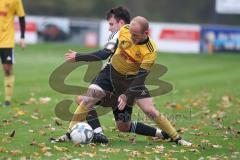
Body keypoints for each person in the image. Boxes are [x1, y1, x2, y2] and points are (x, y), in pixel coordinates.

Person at [62, 16, 192, 146]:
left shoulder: (150, 51)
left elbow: (141, 77)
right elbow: (105, 53)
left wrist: (126, 95)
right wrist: (79, 56)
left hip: (132, 81)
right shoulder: (124, 30)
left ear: (146, 33)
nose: (132, 37)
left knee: (138, 117)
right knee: (87, 99)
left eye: (135, 35)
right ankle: (69, 134)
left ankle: (176, 138)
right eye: (131, 33)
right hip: (110, 74)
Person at [0, 0, 26, 107]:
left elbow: (21, 17)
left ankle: (7, 100)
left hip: (7, 40)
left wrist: (22, 37)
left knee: (7, 69)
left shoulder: (15, 0)